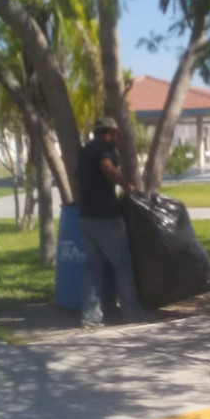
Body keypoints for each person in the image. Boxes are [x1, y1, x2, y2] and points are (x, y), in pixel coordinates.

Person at [76, 116, 146, 329]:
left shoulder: (85, 151)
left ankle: (90, 317)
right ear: (111, 133)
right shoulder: (106, 148)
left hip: (86, 217)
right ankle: (131, 312)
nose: (119, 138)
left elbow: (78, 179)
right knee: (123, 265)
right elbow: (107, 167)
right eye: (118, 134)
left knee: (93, 269)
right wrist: (126, 186)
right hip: (106, 218)